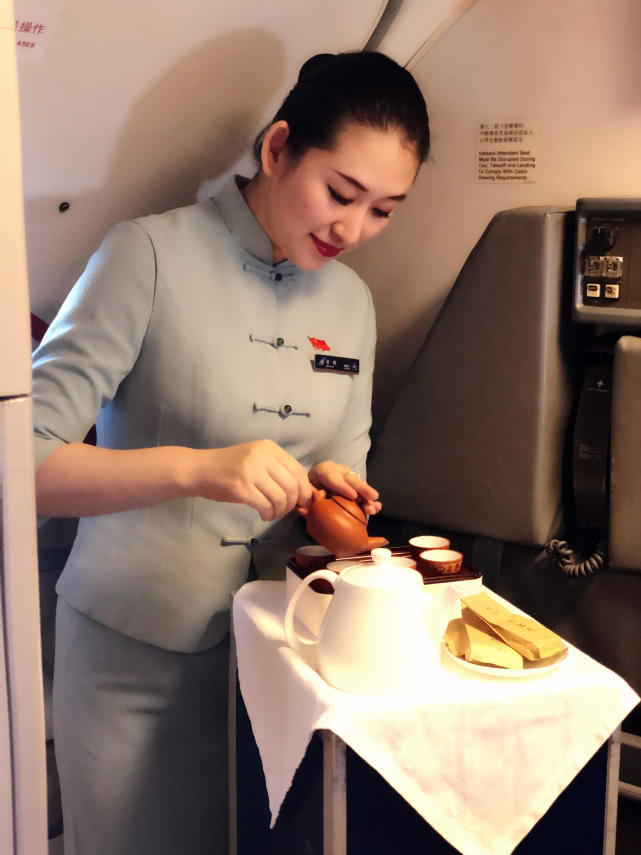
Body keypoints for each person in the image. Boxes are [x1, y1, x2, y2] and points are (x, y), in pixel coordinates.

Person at [32, 50, 430, 854]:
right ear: (278, 148)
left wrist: (329, 490)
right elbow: (24, 465)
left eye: (383, 210)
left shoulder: (352, 304)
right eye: (340, 193)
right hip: (133, 659)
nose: (352, 229)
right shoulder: (146, 254)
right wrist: (201, 467)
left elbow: (340, 474)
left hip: (282, 667)